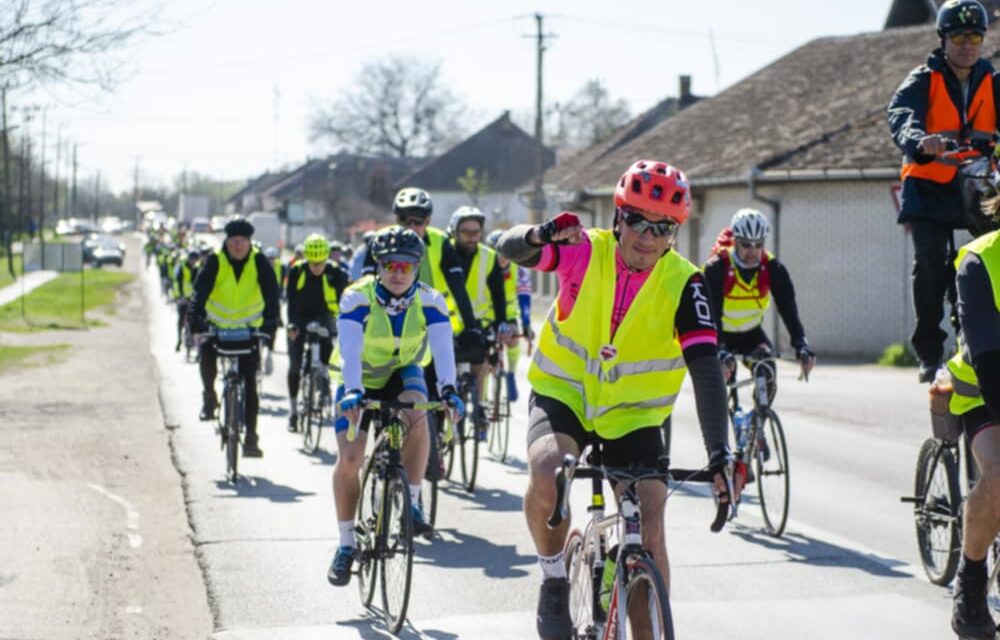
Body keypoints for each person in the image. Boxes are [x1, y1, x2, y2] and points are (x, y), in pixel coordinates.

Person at [496, 160, 743, 640]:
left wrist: (719, 454)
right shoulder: (584, 250)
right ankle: (552, 577)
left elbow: (707, 370)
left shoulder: (685, 283)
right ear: (618, 217)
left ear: (674, 232)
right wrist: (541, 235)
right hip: (563, 393)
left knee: (648, 528)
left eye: (662, 227)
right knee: (548, 471)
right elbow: (507, 248)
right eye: (637, 221)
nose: (647, 237)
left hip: (636, 417)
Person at [327, 226, 465, 586]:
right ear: (379, 266)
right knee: (351, 459)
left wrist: (450, 389)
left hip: (404, 371)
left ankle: (413, 501)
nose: (398, 273)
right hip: (358, 377)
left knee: (419, 410)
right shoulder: (356, 298)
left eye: (406, 266)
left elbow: (443, 350)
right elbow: (351, 353)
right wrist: (354, 392)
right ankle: (345, 545)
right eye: (390, 266)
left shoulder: (431, 300)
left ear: (418, 266)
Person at [888, 0, 1000, 382]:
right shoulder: (923, 78)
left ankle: (987, 336)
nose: (967, 44)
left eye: (974, 36)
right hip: (928, 189)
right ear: (943, 39)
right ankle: (929, 350)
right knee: (932, 261)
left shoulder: (992, 80)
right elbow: (901, 114)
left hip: (976, 188)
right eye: (958, 36)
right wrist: (918, 139)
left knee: (992, 259)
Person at [942, 192, 1000, 639]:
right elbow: (987, 354)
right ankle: (972, 577)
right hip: (983, 388)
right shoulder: (979, 261)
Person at [189, 217, 280, 458]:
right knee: (206, 355)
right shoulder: (215, 262)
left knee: (250, 383)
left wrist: (272, 320)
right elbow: (199, 293)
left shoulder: (259, 261)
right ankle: (209, 396)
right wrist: (195, 320)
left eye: (242, 241)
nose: (238, 245)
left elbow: (272, 292)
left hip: (248, 330)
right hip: (218, 327)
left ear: (249, 242)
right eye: (233, 241)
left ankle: (251, 437)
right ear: (227, 241)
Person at [702, 209, 815, 379]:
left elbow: (788, 309)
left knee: (768, 372)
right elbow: (711, 313)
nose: (753, 252)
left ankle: (761, 406)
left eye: (759, 245)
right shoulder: (717, 268)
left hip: (751, 335)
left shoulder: (773, 268)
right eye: (746, 245)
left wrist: (801, 344)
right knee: (719, 379)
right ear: (735, 242)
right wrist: (719, 348)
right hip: (720, 333)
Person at [448, 206, 511, 434]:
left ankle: (480, 406)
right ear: (455, 232)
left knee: (481, 364)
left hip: (478, 323)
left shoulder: (489, 256)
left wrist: (502, 321)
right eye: (466, 232)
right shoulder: (447, 253)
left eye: (476, 232)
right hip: (449, 322)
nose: (472, 237)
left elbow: (498, 293)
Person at [285, 233, 348, 432]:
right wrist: (292, 326)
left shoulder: (337, 274)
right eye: (313, 263)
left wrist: (342, 328)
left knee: (329, 358)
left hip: (325, 316)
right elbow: (290, 301)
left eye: (320, 263)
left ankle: (325, 386)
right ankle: (294, 411)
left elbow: (344, 303)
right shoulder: (296, 271)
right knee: (295, 365)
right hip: (300, 316)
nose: (317, 267)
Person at [486, 229, 532, 403]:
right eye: (498, 252)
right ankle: (481, 403)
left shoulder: (518, 270)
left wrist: (526, 324)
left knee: (513, 339)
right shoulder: (484, 267)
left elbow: (524, 298)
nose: (502, 257)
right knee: (483, 358)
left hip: (509, 316)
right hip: (487, 317)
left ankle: (511, 374)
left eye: (506, 252)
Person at [172, 250, 201, 352]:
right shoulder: (182, 267)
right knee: (181, 319)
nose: (193, 261)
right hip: (183, 297)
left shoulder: (197, 268)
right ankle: (179, 340)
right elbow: (178, 282)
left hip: (193, 298)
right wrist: (180, 296)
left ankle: (196, 345)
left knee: (196, 320)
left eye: (195, 260)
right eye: (192, 259)